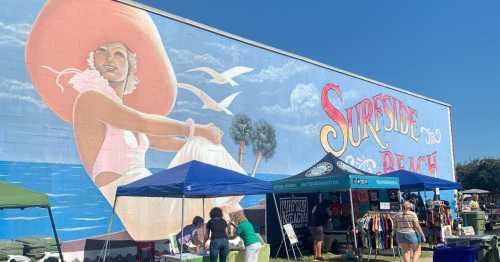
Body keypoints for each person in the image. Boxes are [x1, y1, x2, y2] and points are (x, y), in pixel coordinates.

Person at [26, 0, 225, 240]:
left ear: (131, 66)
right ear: (93, 61)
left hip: (146, 193)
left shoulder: (120, 111)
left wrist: (203, 147)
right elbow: (143, 122)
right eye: (102, 51)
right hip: (136, 205)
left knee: (210, 169)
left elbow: (160, 140)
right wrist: (197, 130)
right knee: (210, 185)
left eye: (118, 54)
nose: (109, 58)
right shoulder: (90, 99)